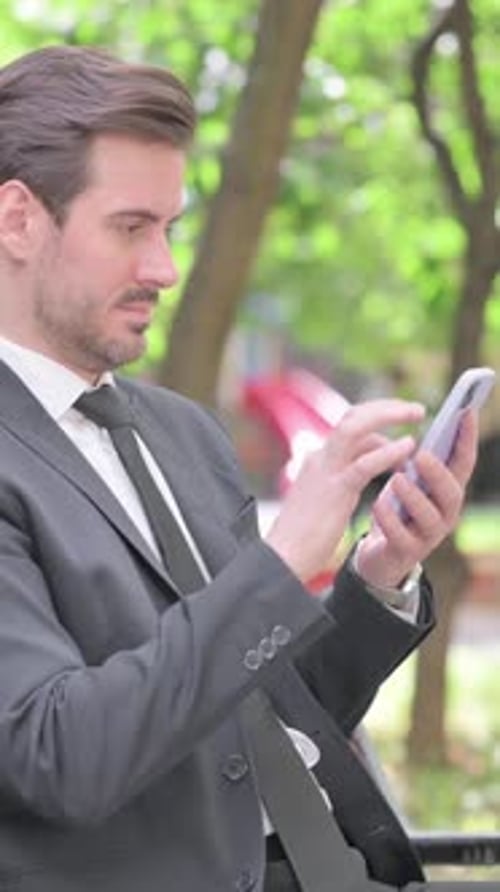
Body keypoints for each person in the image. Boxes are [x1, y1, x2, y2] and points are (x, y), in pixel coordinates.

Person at [0, 45, 478, 892]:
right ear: (17, 219)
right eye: (130, 227)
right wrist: (282, 561)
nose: (165, 268)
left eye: (171, 229)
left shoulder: (187, 434)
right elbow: (58, 757)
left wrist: (377, 576)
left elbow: (258, 716)